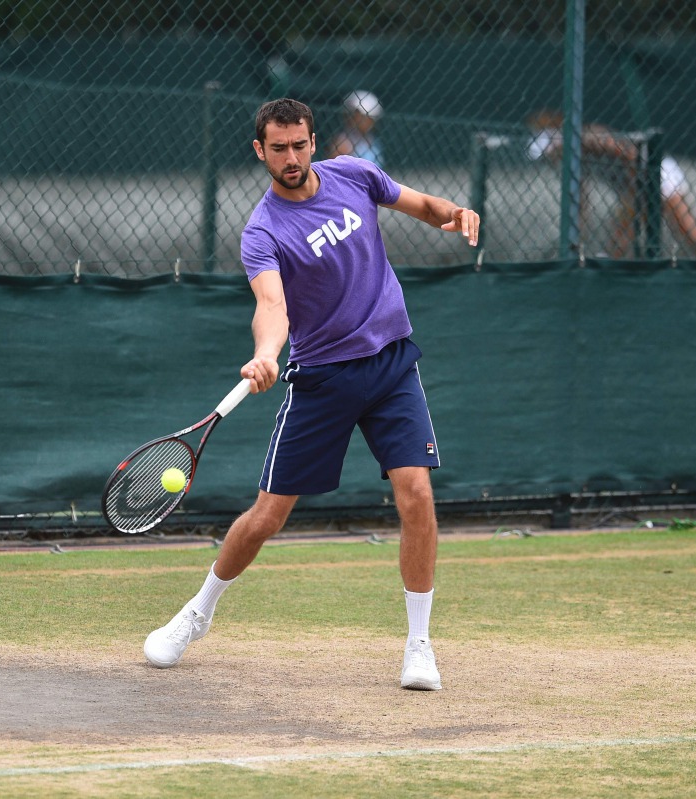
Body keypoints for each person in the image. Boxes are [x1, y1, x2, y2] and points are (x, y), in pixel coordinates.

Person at [143, 97, 480, 691]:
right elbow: (271, 306)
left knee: (416, 493)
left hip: (391, 363)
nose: (292, 157)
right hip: (322, 379)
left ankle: (419, 644)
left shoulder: (354, 174)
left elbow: (419, 205)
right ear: (260, 151)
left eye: (300, 145)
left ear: (313, 141)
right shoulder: (263, 230)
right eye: (279, 149)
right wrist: (267, 353)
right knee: (268, 516)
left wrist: (454, 212)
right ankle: (198, 612)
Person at [526, 110, 696, 260]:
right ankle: (610, 275)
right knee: (620, 238)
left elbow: (631, 156)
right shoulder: (572, 161)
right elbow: (581, 198)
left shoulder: (591, 139)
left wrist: (638, 193)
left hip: (656, 174)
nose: (552, 156)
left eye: (551, 149)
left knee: (688, 231)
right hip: (633, 189)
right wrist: (574, 237)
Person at [328, 90, 384, 166]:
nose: (367, 122)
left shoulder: (373, 141)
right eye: (362, 117)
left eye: (370, 118)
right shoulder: (343, 142)